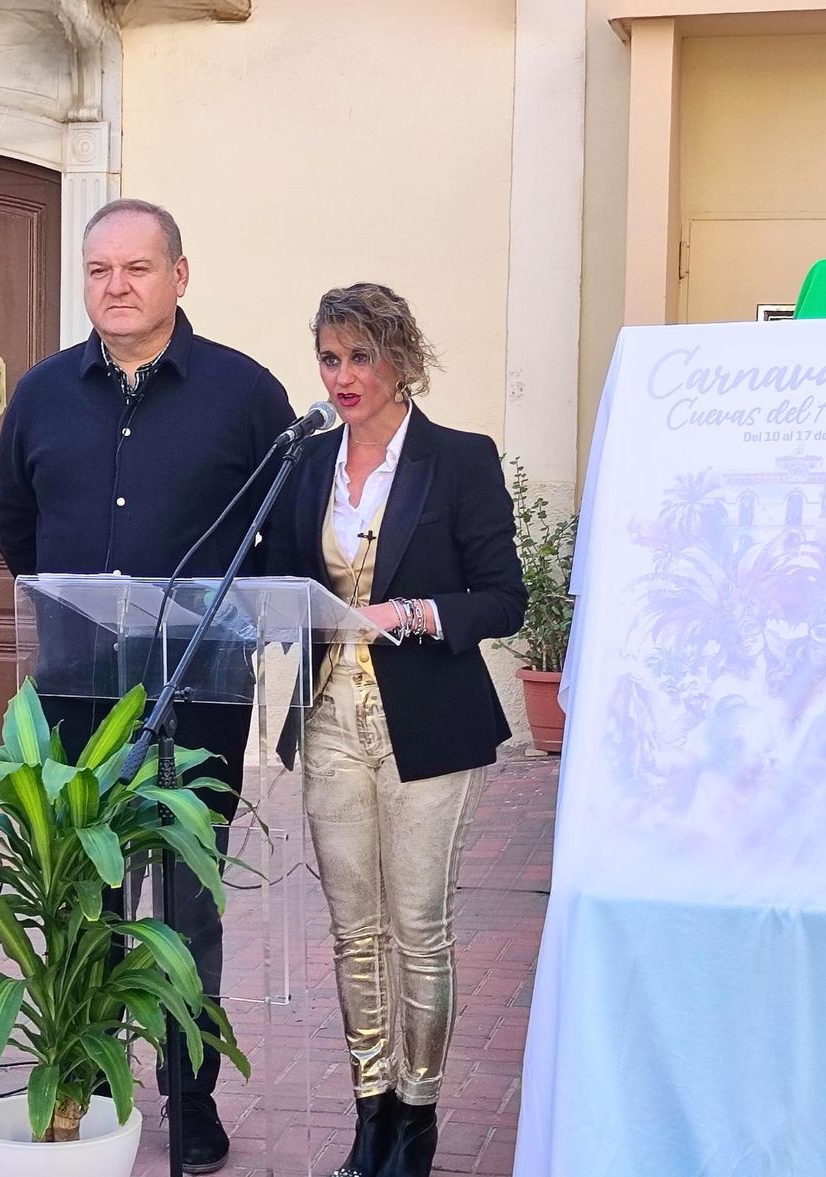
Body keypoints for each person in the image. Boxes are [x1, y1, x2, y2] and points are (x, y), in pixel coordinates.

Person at [0, 197, 295, 1174]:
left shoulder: (246, 394)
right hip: (77, 695)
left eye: (136, 267)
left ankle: (188, 1097)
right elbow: (15, 527)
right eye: (98, 270)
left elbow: (281, 532)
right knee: (88, 895)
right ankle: (85, 1083)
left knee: (186, 904)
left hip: (201, 696)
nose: (115, 286)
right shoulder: (41, 394)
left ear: (179, 275)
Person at [267, 284, 527, 1177]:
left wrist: (412, 612)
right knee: (355, 931)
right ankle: (369, 1111)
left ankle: (415, 1118)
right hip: (328, 718)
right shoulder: (307, 462)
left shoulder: (460, 459)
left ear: (401, 360)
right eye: (329, 358)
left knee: (419, 927)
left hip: (428, 722)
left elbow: (504, 597)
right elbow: (282, 579)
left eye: (360, 357)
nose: (342, 376)